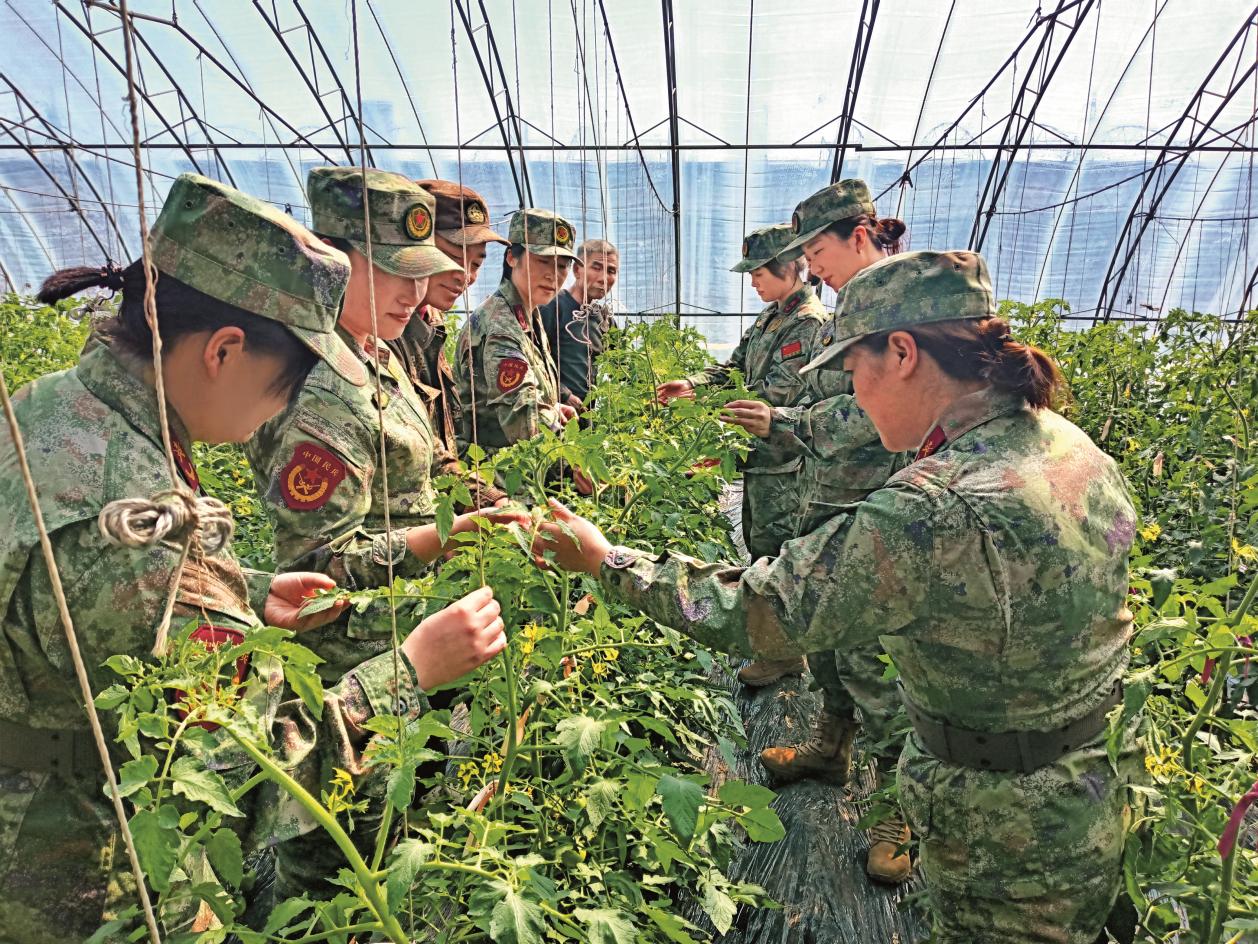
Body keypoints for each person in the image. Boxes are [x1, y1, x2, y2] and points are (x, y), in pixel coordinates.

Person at [536, 250, 1142, 944]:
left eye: (853, 371)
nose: (853, 394)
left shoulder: (937, 507)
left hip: (1004, 829)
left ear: (903, 353)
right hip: (1088, 787)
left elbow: (765, 609)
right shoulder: (1064, 444)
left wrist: (606, 560)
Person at [0, 174, 507, 942]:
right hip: (83, 873)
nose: (285, 407)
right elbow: (245, 770)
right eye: (289, 382)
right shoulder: (142, 535)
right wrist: (412, 668)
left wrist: (248, 590)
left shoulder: (52, 406)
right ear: (224, 351)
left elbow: (86, 604)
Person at [246, 167, 524, 686]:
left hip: (406, 633)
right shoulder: (318, 390)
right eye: (393, 272)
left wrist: (482, 508)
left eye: (422, 272)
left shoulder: (374, 349)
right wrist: (445, 536)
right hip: (357, 665)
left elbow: (422, 467)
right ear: (330, 259)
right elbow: (316, 569)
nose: (414, 292)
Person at [718, 180, 910, 883]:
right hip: (826, 496)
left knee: (876, 664)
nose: (812, 265)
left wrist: (786, 422)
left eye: (817, 250)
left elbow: (873, 411)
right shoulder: (849, 309)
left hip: (876, 507)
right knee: (828, 643)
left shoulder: (899, 308)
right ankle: (831, 749)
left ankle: (899, 811)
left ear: (858, 236)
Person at [657, 224, 826, 688]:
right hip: (761, 459)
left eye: (759, 272)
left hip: (783, 462)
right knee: (758, 546)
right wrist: (692, 384)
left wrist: (715, 431)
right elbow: (734, 368)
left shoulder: (807, 323)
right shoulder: (771, 317)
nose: (753, 282)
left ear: (788, 267)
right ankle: (778, 646)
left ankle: (784, 655)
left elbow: (775, 395)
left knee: (775, 558)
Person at [388, 178, 508, 506]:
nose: (466, 276)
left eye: (476, 264)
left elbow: (443, 437)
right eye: (453, 257)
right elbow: (422, 453)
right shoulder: (381, 333)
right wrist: (493, 503)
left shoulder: (431, 321)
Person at [453, 208, 580, 455]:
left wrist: (552, 407)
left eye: (563, 266)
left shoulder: (527, 313)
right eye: (543, 261)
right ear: (512, 257)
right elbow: (523, 414)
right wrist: (574, 458)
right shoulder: (501, 325)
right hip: (496, 471)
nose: (554, 275)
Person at [539, 238, 619, 408]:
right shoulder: (552, 306)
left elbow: (622, 365)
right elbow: (532, 359)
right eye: (596, 268)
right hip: (554, 411)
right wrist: (563, 394)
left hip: (587, 414)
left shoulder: (604, 319)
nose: (604, 278)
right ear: (577, 270)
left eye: (611, 271)